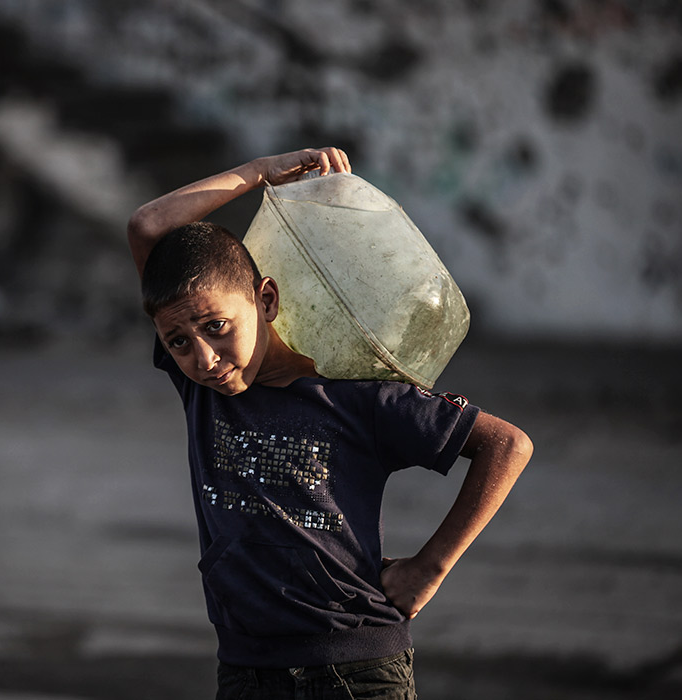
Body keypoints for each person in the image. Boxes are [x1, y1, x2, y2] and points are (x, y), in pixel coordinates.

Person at [127, 147, 533, 699]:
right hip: (245, 671)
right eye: (179, 343)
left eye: (218, 326)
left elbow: (507, 446)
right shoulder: (204, 395)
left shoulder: (357, 398)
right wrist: (261, 172)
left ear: (265, 300)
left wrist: (430, 568)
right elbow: (148, 225)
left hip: (356, 671)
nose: (205, 358)